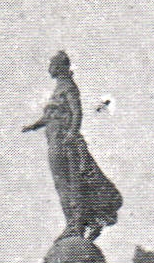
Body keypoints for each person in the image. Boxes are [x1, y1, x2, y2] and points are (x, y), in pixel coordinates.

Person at [22, 50, 123, 240]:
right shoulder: (59, 88)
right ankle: (74, 222)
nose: (49, 68)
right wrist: (33, 126)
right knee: (62, 183)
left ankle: (76, 224)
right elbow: (50, 116)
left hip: (64, 141)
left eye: (51, 64)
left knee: (71, 183)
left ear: (59, 66)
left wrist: (72, 133)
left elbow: (77, 113)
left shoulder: (68, 87)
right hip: (54, 140)